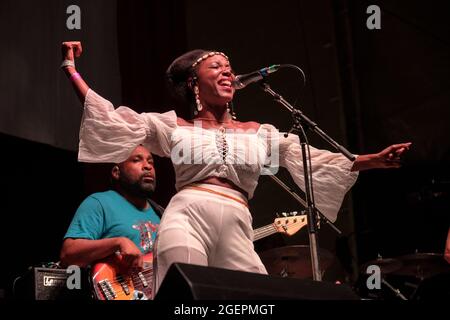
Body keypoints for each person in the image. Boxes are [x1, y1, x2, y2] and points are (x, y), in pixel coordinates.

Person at [61, 41, 411, 296]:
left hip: (238, 222)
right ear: (194, 84)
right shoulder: (174, 127)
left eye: (229, 67)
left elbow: (309, 158)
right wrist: (72, 70)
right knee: (185, 299)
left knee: (253, 300)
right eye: (215, 66)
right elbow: (110, 120)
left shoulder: (259, 133)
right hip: (187, 216)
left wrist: (372, 160)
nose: (227, 71)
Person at [60, 145, 163, 272]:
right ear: (116, 172)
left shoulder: (162, 214)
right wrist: (118, 242)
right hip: (115, 289)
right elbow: (68, 254)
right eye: (137, 160)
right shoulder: (99, 203)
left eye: (150, 161)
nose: (148, 166)